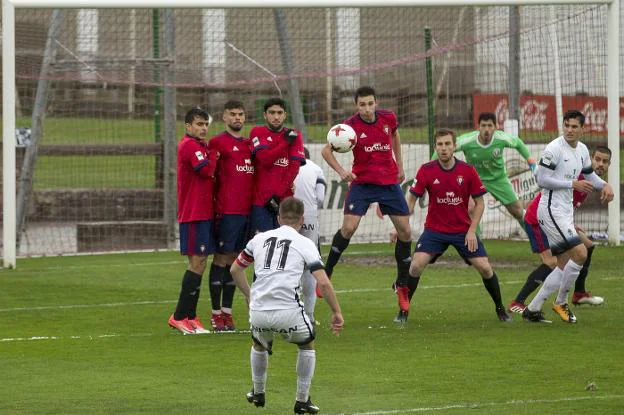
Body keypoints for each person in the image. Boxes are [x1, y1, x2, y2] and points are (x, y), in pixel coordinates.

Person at [230, 197, 343, 414]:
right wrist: (337, 312)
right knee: (306, 345)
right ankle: (302, 400)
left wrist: (251, 296)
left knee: (259, 343)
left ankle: (258, 391)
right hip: (289, 312)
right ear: (302, 220)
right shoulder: (305, 243)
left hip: (260, 311)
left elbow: (235, 270)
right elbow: (324, 282)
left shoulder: (259, 239)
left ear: (279, 218)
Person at [402, 128, 511, 323]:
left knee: (485, 268)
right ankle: (403, 311)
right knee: (415, 265)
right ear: (435, 147)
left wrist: (471, 231)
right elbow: (411, 199)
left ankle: (500, 309)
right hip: (434, 231)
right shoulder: (426, 170)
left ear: (454, 147)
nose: (443, 148)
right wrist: (400, 225)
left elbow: (480, 203)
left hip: (462, 231)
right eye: (440, 145)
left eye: (447, 144)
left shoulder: (467, 171)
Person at [321, 86, 412, 313]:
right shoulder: (349, 127)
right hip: (362, 185)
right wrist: (342, 172)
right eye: (362, 105)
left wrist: (399, 165)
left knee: (405, 233)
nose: (367, 109)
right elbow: (326, 151)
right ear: (356, 105)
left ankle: (401, 285)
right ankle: (326, 272)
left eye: (371, 104)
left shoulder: (388, 118)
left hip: (389, 184)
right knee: (348, 228)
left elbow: (395, 135)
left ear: (376, 102)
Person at [522, 110, 614, 323]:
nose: (570, 130)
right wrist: (571, 183)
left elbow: (590, 174)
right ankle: (561, 301)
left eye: (574, 126)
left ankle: (533, 309)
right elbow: (542, 180)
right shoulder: (554, 149)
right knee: (581, 254)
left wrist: (605, 185)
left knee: (563, 265)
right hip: (551, 210)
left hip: (563, 212)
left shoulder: (581, 149)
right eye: (567, 125)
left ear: (583, 129)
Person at [508, 146, 612, 313]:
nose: (600, 164)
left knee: (587, 246)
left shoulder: (589, 181)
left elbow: (566, 203)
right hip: (538, 220)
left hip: (558, 219)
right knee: (552, 262)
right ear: (589, 159)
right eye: (597, 159)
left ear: (609, 165)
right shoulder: (578, 176)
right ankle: (518, 302)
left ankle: (579, 293)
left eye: (604, 161)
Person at [436, 112, 537, 229]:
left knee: (518, 211)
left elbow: (519, 143)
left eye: (490, 126)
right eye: (483, 126)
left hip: (498, 179)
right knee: (471, 210)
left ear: (496, 127)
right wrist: (432, 169)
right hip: (473, 180)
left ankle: (535, 238)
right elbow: (442, 149)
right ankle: (475, 244)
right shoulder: (467, 141)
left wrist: (531, 161)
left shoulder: (501, 138)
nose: (486, 129)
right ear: (478, 127)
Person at [168, 107, 219, 335]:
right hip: (194, 213)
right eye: (199, 125)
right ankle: (179, 316)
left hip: (204, 213)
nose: (203, 128)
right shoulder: (189, 145)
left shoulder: (200, 146)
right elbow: (206, 170)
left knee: (200, 263)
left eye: (205, 124)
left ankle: (191, 316)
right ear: (188, 126)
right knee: (197, 263)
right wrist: (215, 154)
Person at [206, 100, 252, 331]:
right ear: (224, 117)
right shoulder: (217, 142)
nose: (237, 118)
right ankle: (216, 314)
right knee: (221, 259)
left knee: (237, 262)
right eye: (233, 114)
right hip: (227, 211)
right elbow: (209, 175)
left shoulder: (250, 144)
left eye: (241, 114)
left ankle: (228, 313)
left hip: (247, 212)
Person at [249, 98, 306, 236]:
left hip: (285, 201)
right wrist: (286, 142)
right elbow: (265, 159)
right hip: (260, 202)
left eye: (280, 113)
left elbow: (294, 168)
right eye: (272, 112)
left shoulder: (296, 135)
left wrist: (278, 195)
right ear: (265, 115)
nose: (276, 116)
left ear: (285, 115)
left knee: (285, 244)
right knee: (262, 245)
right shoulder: (257, 132)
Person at [294, 147, 327, 324]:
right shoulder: (316, 168)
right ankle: (309, 315)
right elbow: (321, 198)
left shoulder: (287, 165)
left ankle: (292, 310)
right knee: (310, 265)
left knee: (291, 262)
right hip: (310, 217)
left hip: (289, 215)